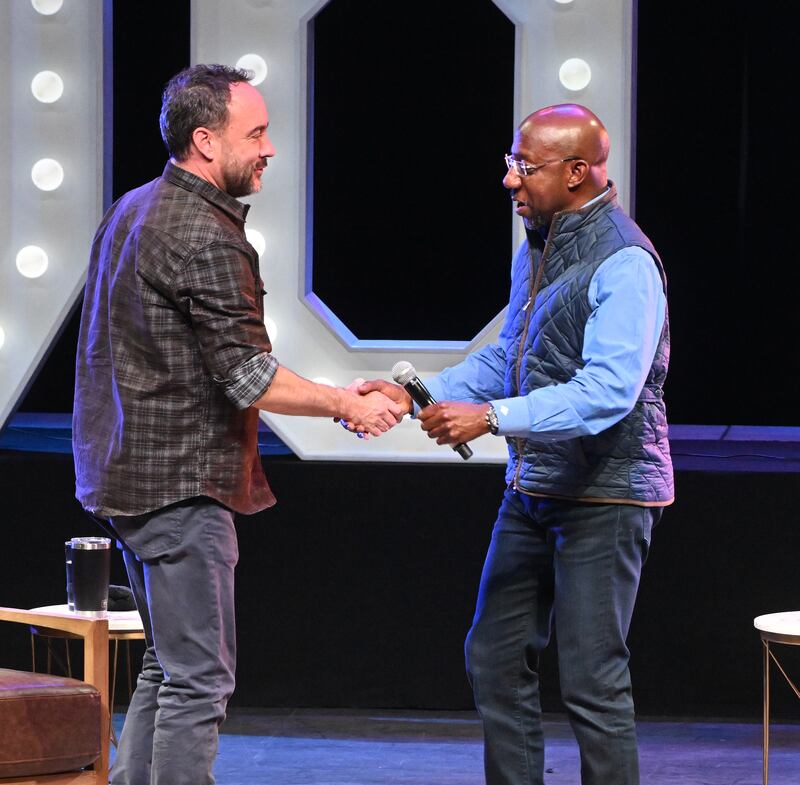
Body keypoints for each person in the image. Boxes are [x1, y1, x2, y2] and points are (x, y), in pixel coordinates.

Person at [72, 63, 402, 785]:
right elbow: (248, 374)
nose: (269, 148)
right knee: (201, 682)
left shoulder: (134, 207)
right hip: (179, 487)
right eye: (255, 133)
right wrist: (346, 402)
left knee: (169, 663)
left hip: (124, 475)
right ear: (204, 141)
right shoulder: (207, 235)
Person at [358, 104, 673, 785]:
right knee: (495, 658)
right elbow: (510, 356)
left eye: (525, 167)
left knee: (593, 679)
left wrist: (491, 419)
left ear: (579, 172)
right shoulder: (540, 242)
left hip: (605, 493)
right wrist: (411, 391)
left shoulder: (626, 263)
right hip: (534, 489)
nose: (509, 179)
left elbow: (606, 392)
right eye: (511, 162)